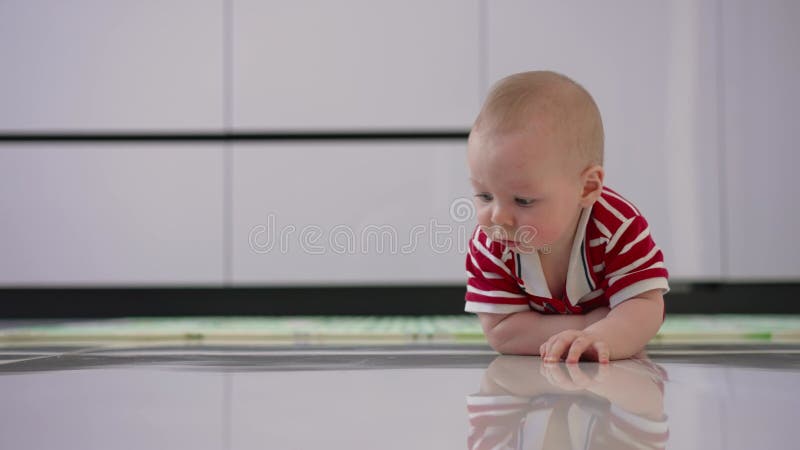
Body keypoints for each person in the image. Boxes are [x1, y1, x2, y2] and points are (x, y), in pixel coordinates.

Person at [464, 71, 669, 363]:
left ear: (586, 188)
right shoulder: (490, 244)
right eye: (484, 196)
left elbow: (647, 306)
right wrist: (588, 325)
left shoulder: (617, 226)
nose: (498, 216)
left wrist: (606, 336)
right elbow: (501, 331)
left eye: (523, 200)